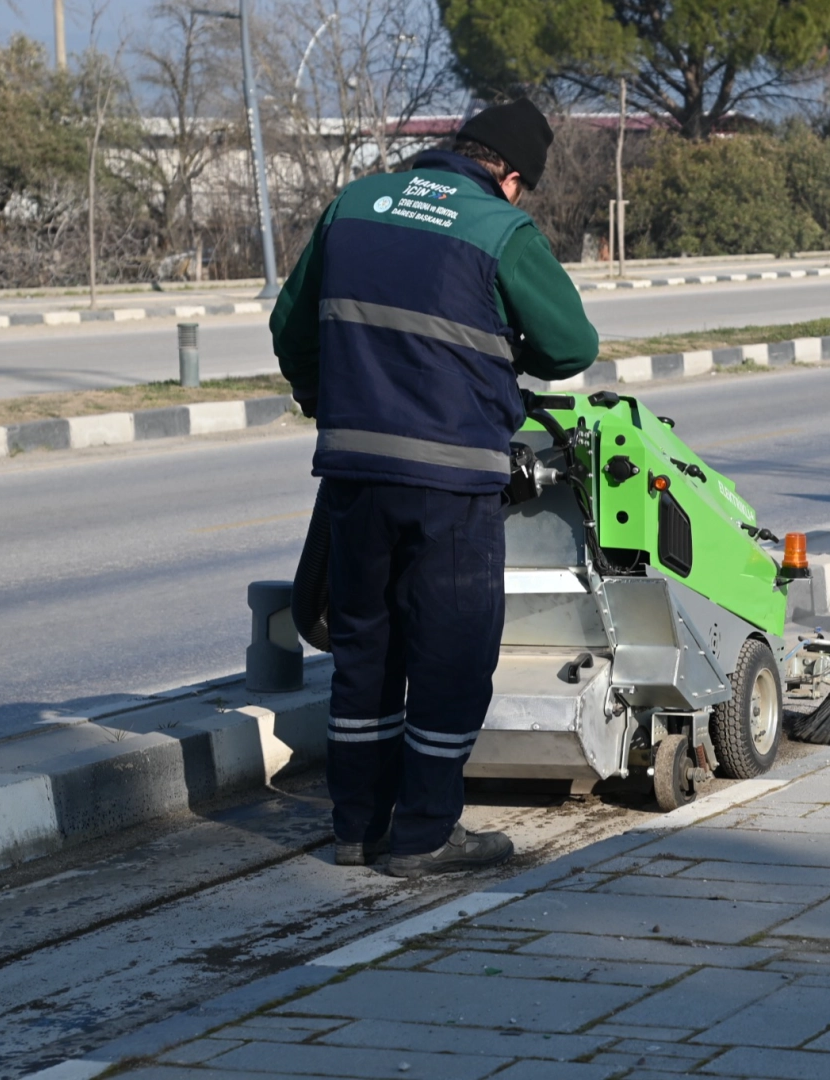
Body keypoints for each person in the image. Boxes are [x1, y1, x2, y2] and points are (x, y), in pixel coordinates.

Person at [270, 99, 598, 877]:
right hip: (451, 483)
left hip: (353, 475)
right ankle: (422, 837)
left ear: (454, 147)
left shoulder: (355, 203)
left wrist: (329, 401)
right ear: (510, 177)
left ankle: (356, 828)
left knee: (366, 650)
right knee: (450, 655)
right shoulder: (498, 229)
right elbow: (570, 346)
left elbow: (291, 327)